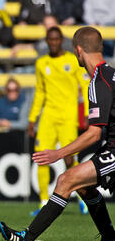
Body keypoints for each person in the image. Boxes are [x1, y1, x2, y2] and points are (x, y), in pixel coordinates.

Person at [0, 26, 115, 241]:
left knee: (65, 180)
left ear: (78, 51)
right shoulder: (109, 75)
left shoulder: (98, 82)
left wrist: (58, 154)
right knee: (83, 186)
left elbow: (93, 133)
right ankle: (110, 240)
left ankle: (26, 240)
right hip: (111, 146)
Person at [27, 26, 90, 216]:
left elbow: (85, 86)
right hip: (48, 117)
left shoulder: (72, 60)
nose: (53, 43)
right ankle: (43, 201)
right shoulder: (41, 63)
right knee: (41, 158)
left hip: (68, 116)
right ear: (47, 41)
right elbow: (40, 92)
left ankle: (82, 200)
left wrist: (87, 112)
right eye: (50, 40)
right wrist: (32, 118)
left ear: (61, 41)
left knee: (71, 159)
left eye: (56, 39)